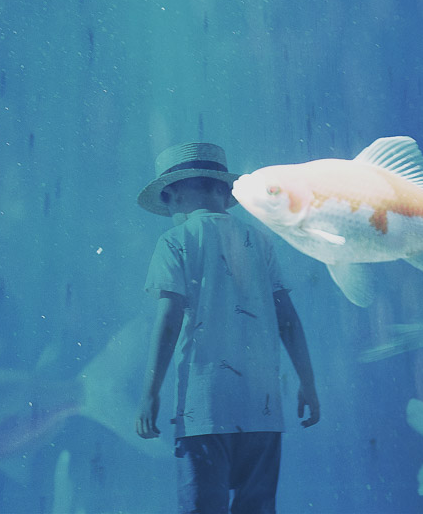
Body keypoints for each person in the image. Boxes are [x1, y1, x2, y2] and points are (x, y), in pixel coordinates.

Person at [135, 142, 320, 514]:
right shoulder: (260, 240)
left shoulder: (175, 241)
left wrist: (150, 393)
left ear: (176, 193)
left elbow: (169, 322)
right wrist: (308, 383)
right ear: (224, 190)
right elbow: (288, 319)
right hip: (263, 411)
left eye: (166, 196)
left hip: (204, 411)